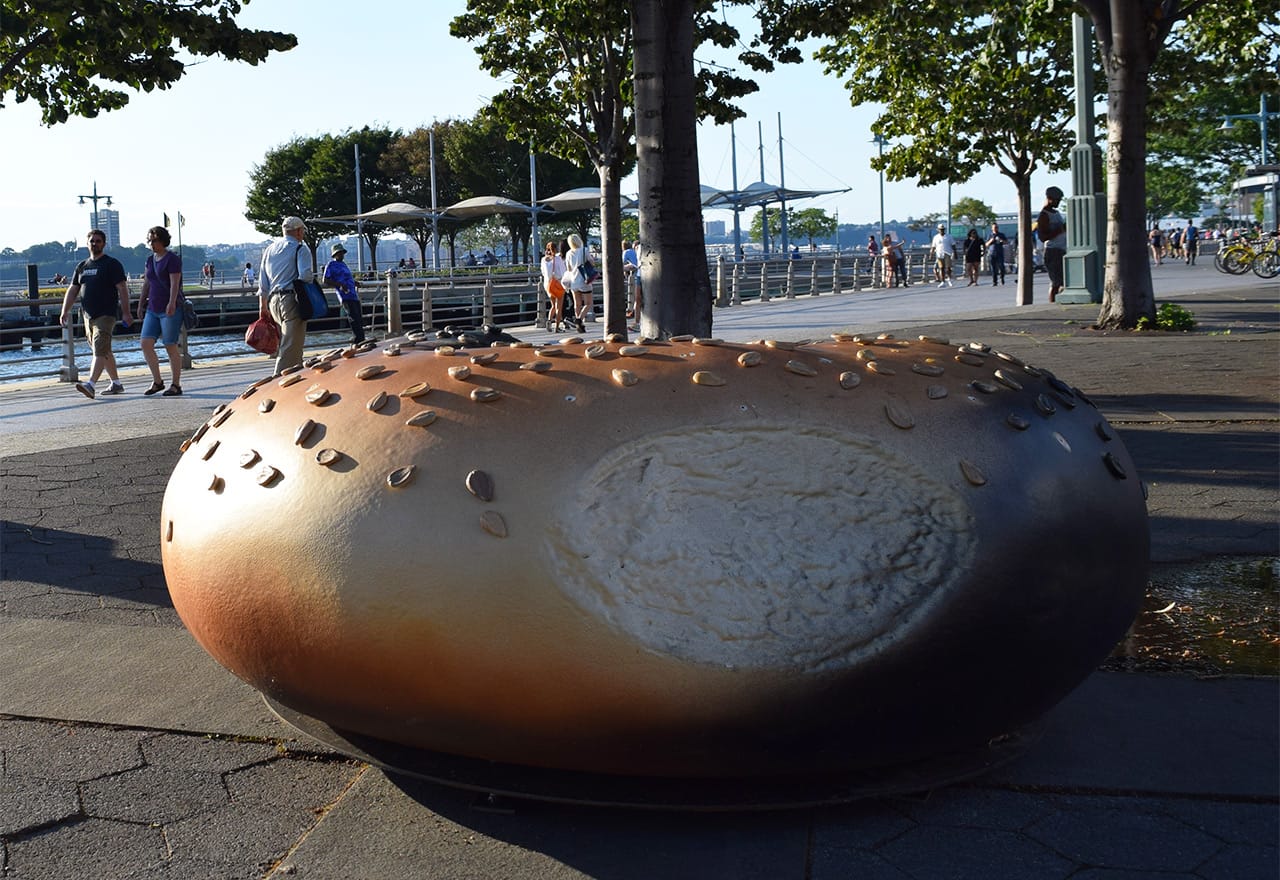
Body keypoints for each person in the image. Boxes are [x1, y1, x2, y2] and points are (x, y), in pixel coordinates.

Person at [59, 229, 131, 399]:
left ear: (104, 244)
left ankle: (90, 384)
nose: (95, 244)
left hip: (106, 314)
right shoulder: (82, 266)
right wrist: (64, 310)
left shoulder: (111, 264)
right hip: (88, 315)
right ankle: (116, 383)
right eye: (92, 241)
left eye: (98, 241)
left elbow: (122, 288)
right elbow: (73, 289)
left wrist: (127, 312)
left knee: (99, 350)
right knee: (103, 350)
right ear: (87, 243)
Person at [257, 216, 314, 376]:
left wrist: (262, 306)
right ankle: (276, 384)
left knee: (291, 345)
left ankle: (296, 381)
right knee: (290, 347)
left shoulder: (270, 250)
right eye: (302, 230)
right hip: (291, 300)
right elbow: (306, 276)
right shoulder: (300, 249)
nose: (303, 234)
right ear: (297, 231)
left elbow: (263, 282)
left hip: (273, 302)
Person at [136, 225, 185, 396]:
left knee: (170, 345)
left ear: (163, 240)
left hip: (169, 308)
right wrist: (141, 303)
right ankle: (157, 381)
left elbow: (174, 283)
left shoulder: (172, 259)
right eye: (149, 240)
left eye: (154, 240)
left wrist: (172, 303)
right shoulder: (150, 260)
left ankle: (176, 384)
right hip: (152, 308)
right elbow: (147, 283)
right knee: (145, 343)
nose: (151, 243)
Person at [324, 243, 365, 345]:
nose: (341, 255)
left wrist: (354, 282)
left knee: (358, 317)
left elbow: (348, 278)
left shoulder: (344, 264)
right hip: (344, 295)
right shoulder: (331, 265)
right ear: (335, 254)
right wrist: (340, 285)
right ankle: (358, 340)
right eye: (339, 253)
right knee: (353, 317)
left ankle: (361, 338)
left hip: (353, 294)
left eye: (342, 253)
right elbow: (325, 280)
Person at [1036, 186, 1068, 302]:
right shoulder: (1044, 215)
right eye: (1056, 200)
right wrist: (1059, 230)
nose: (1058, 202)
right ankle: (1052, 303)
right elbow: (1042, 237)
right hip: (1053, 251)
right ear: (1049, 198)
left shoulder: (1056, 213)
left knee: (1063, 281)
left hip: (1062, 250)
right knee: (1056, 282)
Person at [563, 232, 593, 334]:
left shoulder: (568, 253)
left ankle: (580, 325)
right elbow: (591, 262)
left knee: (577, 304)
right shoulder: (584, 250)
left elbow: (568, 268)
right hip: (584, 280)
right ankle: (579, 319)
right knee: (588, 303)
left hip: (573, 281)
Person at [540, 240, 567, 332]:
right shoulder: (558, 259)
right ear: (556, 249)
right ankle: (557, 327)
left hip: (548, 285)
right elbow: (563, 272)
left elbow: (543, 272)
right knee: (559, 307)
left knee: (553, 306)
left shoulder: (543, 260)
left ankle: (549, 320)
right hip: (558, 284)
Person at [931, 223, 956, 287]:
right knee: (941, 268)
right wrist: (931, 253)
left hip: (947, 253)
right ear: (938, 230)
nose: (941, 230)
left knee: (948, 268)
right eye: (940, 229)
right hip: (939, 254)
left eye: (942, 229)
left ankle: (949, 279)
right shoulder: (936, 237)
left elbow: (953, 245)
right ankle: (942, 281)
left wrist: (955, 253)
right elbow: (933, 246)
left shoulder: (949, 236)